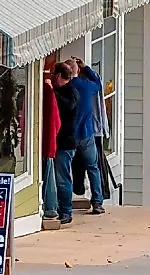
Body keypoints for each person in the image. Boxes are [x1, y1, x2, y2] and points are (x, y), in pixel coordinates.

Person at [68, 59, 107, 213]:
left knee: (64, 169)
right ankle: (97, 202)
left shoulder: (65, 87)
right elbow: (98, 83)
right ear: (77, 71)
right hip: (86, 134)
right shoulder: (86, 86)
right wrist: (86, 68)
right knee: (93, 168)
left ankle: (64, 204)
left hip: (69, 136)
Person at [44, 61, 75, 226]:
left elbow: (69, 106)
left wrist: (52, 91)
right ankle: (57, 207)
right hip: (59, 142)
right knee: (57, 177)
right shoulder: (65, 90)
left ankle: (66, 211)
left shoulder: (71, 91)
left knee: (62, 178)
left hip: (66, 143)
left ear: (58, 76)